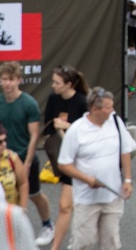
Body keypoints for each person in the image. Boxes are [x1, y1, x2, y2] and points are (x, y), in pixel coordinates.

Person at [56, 87, 136, 250]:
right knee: (83, 243)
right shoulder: (77, 130)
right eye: (108, 107)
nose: (112, 110)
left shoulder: (115, 121)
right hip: (86, 201)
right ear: (94, 109)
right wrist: (87, 179)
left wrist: (127, 179)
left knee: (111, 243)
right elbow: (63, 164)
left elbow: (125, 150)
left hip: (113, 197)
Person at [0, 61, 54, 245]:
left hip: (26, 158)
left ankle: (48, 225)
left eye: (11, 79)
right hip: (4, 160)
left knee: (34, 194)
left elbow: (34, 136)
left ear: (19, 80)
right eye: (4, 79)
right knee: (4, 195)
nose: (7, 83)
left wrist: (26, 163)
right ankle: (8, 231)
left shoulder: (29, 104)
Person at [42, 65, 90, 250]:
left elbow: (87, 135)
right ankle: (79, 238)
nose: (53, 85)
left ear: (69, 84)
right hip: (62, 157)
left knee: (65, 205)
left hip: (79, 159)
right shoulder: (53, 99)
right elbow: (49, 129)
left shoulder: (82, 102)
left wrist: (66, 127)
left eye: (57, 82)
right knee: (74, 203)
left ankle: (57, 246)